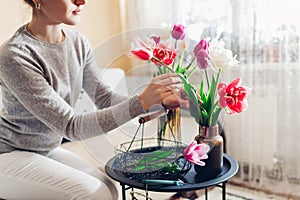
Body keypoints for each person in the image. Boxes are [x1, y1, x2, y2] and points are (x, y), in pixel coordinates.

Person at [0, 0, 188, 199]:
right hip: (9, 155)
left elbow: (105, 98)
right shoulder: (15, 55)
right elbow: (71, 127)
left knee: (110, 188)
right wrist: (141, 102)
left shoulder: (78, 43)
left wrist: (157, 101)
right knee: (95, 194)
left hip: (47, 150)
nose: (82, 1)